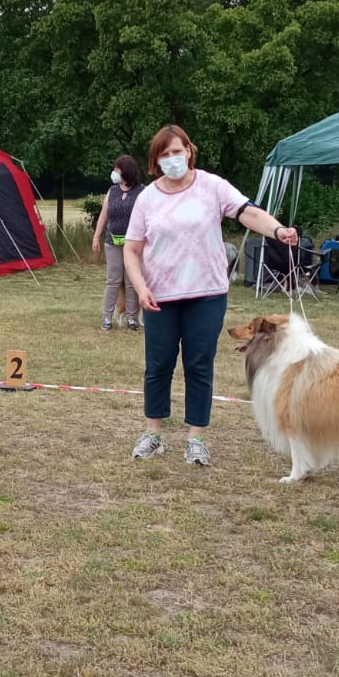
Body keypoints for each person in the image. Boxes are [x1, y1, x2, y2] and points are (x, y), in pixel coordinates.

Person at [123, 124, 299, 466]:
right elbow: (131, 250)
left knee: (199, 365)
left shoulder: (212, 186)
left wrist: (277, 230)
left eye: (178, 151)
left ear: (189, 151)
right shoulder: (147, 199)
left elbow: (247, 212)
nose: (173, 158)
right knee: (158, 365)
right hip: (160, 297)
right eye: (165, 153)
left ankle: (196, 439)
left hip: (207, 295)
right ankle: (152, 434)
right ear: (156, 160)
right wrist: (141, 288)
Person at [92, 155, 144, 330]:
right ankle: (107, 318)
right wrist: (96, 236)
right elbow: (104, 215)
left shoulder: (142, 191)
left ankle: (132, 318)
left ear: (126, 172)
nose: (114, 173)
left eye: (117, 170)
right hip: (112, 241)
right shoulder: (112, 191)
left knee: (131, 282)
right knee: (113, 280)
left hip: (134, 244)